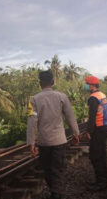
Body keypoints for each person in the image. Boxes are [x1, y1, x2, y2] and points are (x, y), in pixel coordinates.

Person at [27, 71, 80, 199]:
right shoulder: (62, 97)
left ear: (40, 84)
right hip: (59, 141)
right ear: (53, 82)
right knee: (58, 169)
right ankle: (57, 194)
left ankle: (55, 194)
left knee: (47, 170)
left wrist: (31, 143)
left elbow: (32, 122)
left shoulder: (34, 99)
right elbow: (70, 117)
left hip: (44, 142)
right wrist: (76, 133)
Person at [84, 76, 107, 191]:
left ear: (91, 85)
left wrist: (89, 131)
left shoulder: (93, 98)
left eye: (87, 84)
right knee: (102, 154)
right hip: (104, 127)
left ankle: (101, 183)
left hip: (98, 129)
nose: (86, 85)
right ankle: (103, 180)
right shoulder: (102, 95)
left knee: (95, 156)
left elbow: (92, 117)